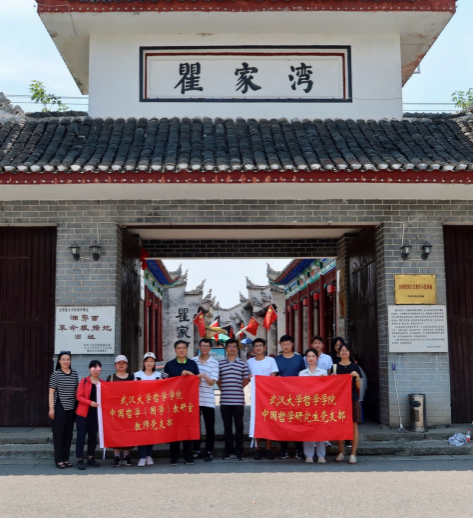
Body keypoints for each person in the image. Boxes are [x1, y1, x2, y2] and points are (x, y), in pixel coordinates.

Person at [163, 340, 200, 466]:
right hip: (173, 402)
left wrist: (190, 374)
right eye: (179, 348)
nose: (181, 350)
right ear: (175, 350)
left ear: (187, 350)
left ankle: (188, 456)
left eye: (184, 348)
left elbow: (198, 381)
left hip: (188, 403)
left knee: (187, 428)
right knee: (174, 429)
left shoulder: (192, 364)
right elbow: (164, 383)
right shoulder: (169, 365)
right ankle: (174, 456)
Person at [275, 335, 306, 461]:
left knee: (297, 422)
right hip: (282, 396)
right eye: (283, 344)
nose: (286, 346)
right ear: (280, 345)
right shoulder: (276, 360)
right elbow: (273, 377)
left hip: (296, 396)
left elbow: (304, 375)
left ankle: (299, 449)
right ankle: (284, 450)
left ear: (292, 344)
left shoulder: (299, 359)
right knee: (282, 422)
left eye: (288, 344)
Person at [218, 339, 250, 461]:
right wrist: (224, 389)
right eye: (230, 346)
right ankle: (228, 451)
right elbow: (218, 380)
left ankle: (239, 452)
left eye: (234, 346)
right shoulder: (220, 364)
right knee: (227, 427)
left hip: (238, 401)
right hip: (225, 401)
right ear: (226, 348)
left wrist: (237, 387)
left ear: (237, 349)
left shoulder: (242, 364)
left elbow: (246, 380)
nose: (232, 348)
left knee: (239, 427)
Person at [331, 343, 363, 465]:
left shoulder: (355, 367)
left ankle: (353, 454)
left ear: (349, 352)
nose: (344, 352)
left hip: (352, 399)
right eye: (342, 350)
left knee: (354, 427)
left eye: (346, 350)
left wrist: (357, 377)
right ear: (338, 353)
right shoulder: (334, 367)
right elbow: (331, 386)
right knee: (340, 426)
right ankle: (341, 452)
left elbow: (358, 386)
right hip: (339, 400)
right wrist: (332, 378)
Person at [247, 338, 278, 460]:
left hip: (268, 396)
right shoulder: (249, 362)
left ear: (264, 347)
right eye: (256, 346)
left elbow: (273, 378)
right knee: (256, 421)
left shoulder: (271, 361)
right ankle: (257, 448)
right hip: (255, 396)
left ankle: (268, 448)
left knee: (268, 420)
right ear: (253, 348)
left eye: (260, 345)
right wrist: (250, 377)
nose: (258, 348)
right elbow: (246, 377)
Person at [49, 351, 79, 469]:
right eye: (63, 359)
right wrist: (51, 409)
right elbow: (51, 392)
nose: (66, 361)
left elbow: (76, 391)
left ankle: (65, 459)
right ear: (59, 361)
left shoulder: (74, 373)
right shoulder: (56, 374)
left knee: (68, 434)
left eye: (68, 359)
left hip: (71, 408)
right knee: (59, 434)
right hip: (59, 406)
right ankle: (59, 459)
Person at [299, 348, 329, 464]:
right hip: (306, 405)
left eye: (313, 356)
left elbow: (328, 388)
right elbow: (299, 389)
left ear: (317, 358)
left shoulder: (323, 372)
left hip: (319, 405)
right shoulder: (302, 373)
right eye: (309, 356)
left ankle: (321, 455)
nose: (311, 358)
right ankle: (309, 455)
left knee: (320, 429)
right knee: (308, 429)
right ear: (306, 358)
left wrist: (324, 380)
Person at [192, 339, 220, 463]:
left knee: (209, 427)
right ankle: (196, 449)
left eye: (207, 346)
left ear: (210, 348)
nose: (204, 348)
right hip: (194, 400)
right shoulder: (193, 361)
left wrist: (204, 376)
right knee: (195, 426)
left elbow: (212, 382)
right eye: (202, 346)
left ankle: (209, 450)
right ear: (199, 347)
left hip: (208, 400)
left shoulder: (214, 363)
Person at [106, 355, 135, 467]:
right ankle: (117, 457)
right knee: (115, 433)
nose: (121, 365)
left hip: (128, 410)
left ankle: (126, 456)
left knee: (128, 433)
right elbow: (106, 394)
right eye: (119, 363)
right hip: (115, 411)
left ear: (127, 365)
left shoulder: (132, 377)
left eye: (123, 363)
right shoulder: (111, 378)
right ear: (115, 365)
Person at [134, 352, 162, 467]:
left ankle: (149, 455)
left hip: (153, 408)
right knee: (141, 432)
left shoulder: (158, 375)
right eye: (147, 361)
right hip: (141, 408)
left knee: (151, 431)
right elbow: (133, 390)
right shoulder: (137, 375)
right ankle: (142, 456)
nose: (149, 363)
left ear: (154, 363)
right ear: (144, 362)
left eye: (152, 361)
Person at [76, 360, 102, 471]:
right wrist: (90, 403)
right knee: (81, 436)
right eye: (93, 368)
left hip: (96, 414)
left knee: (93, 437)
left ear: (100, 369)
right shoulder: (84, 381)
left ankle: (91, 457)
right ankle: (79, 459)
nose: (95, 370)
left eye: (98, 368)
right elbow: (79, 396)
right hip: (83, 413)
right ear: (89, 369)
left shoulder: (102, 383)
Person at [352, 354, 368, 423]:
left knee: (359, 403)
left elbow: (362, 380)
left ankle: (360, 419)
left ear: (356, 361)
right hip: (356, 389)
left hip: (359, 389)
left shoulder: (357, 368)